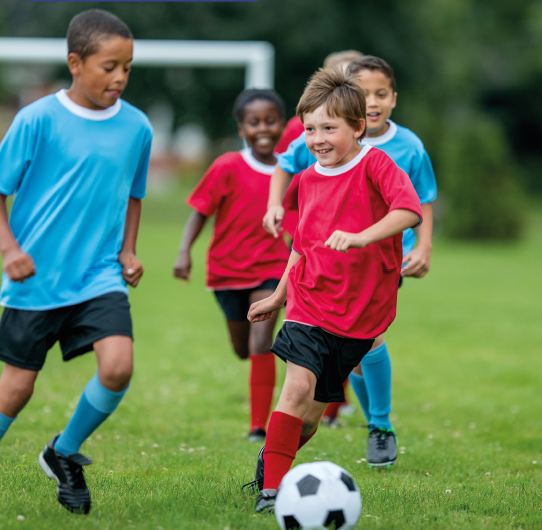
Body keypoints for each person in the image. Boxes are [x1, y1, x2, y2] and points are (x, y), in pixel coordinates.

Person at [0, 10, 152, 516]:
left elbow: (133, 195)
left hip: (99, 275)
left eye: (128, 68)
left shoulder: (137, 127)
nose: (120, 77)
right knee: (15, 390)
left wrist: (128, 250)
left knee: (118, 368)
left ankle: (63, 450)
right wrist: (10, 250)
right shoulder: (35, 119)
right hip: (36, 281)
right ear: (75, 63)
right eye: (109, 66)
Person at [247, 68, 422, 513]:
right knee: (296, 390)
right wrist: (277, 296)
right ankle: (271, 492)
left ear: (357, 126)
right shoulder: (307, 179)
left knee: (308, 418)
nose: (317, 138)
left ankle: (272, 463)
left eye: (329, 128)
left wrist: (364, 236)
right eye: (310, 129)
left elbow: (409, 211)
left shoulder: (377, 165)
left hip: (360, 314)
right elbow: (300, 247)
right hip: (309, 302)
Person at [173, 89, 289, 442]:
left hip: (272, 267)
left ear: (282, 124)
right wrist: (183, 252)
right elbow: (200, 212)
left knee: (261, 339)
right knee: (243, 348)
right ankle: (257, 386)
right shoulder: (226, 166)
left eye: (271, 120)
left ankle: (258, 426)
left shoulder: (291, 170)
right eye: (255, 122)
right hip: (227, 272)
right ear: (242, 128)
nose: (264, 128)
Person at [272, 50, 364, 424]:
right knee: (315, 327)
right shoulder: (308, 134)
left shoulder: (374, 154)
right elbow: (284, 165)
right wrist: (274, 205)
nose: (318, 136)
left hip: (362, 258)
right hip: (312, 243)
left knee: (355, 335)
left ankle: (346, 410)